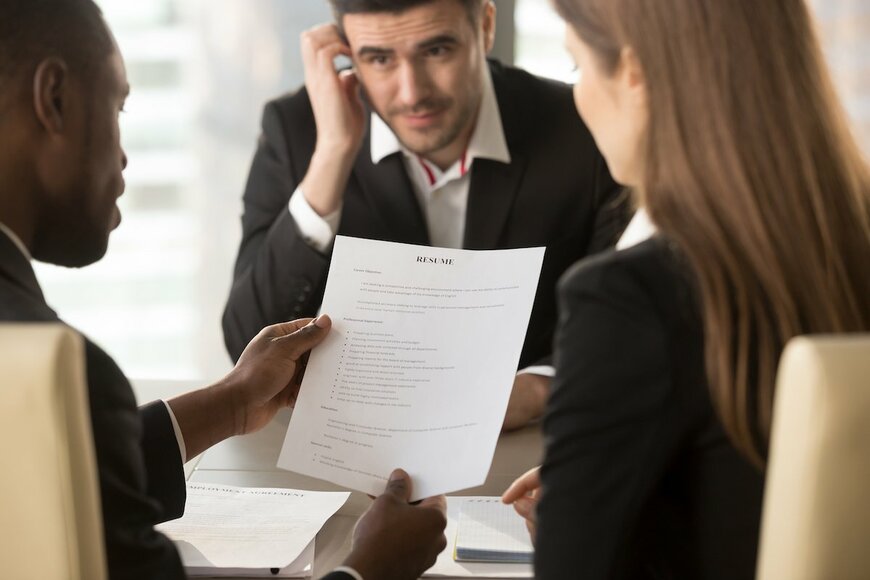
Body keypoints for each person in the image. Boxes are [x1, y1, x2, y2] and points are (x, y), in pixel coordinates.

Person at [0, 1, 446, 579]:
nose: (125, 154)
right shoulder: (52, 369)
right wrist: (366, 570)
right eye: (118, 107)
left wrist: (230, 402)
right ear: (54, 99)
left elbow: (44, 471)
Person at [501, 0, 870, 578]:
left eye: (577, 68)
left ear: (634, 70)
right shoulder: (847, 236)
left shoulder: (626, 298)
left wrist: (583, 518)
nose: (579, 99)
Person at [221, 0, 630, 431]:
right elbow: (245, 348)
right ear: (345, 51)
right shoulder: (299, 130)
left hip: (534, 444)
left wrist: (540, 386)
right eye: (378, 58)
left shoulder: (583, 126)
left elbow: (627, 319)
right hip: (353, 447)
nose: (412, 92)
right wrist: (333, 157)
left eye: (436, 51)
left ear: (486, 26)